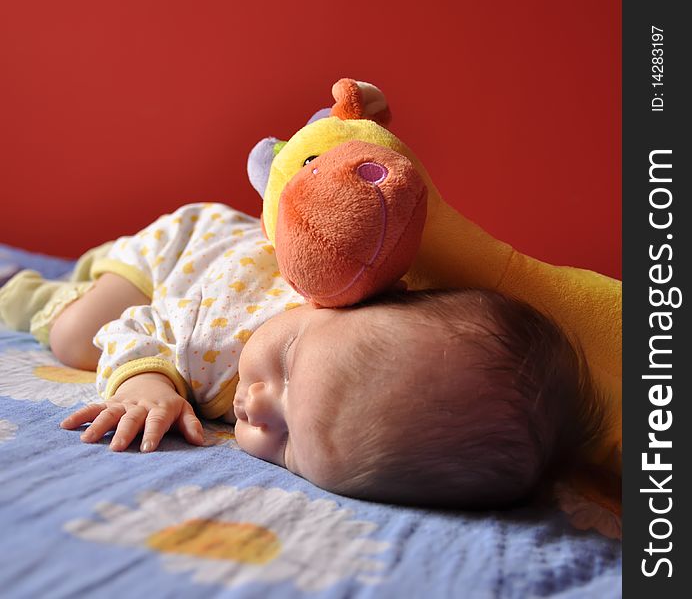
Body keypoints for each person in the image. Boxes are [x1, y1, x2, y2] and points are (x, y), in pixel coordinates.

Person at [1, 203, 601, 507]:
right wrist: (147, 380)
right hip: (180, 249)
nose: (257, 407)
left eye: (287, 440)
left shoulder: (345, 379)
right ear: (334, 307)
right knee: (79, 336)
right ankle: (23, 291)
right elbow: (140, 324)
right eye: (286, 362)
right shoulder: (217, 338)